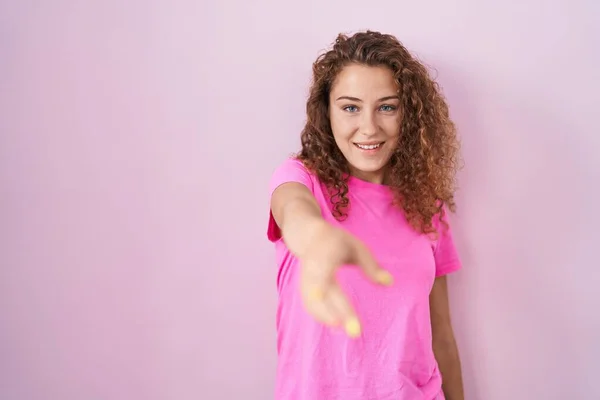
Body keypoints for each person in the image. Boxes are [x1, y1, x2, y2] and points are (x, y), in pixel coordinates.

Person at [266, 30, 464, 400]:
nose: (369, 128)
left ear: (408, 114)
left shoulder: (427, 206)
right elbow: (294, 210)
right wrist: (316, 237)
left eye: (387, 106)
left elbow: (442, 336)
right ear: (327, 111)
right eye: (351, 107)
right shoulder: (301, 179)